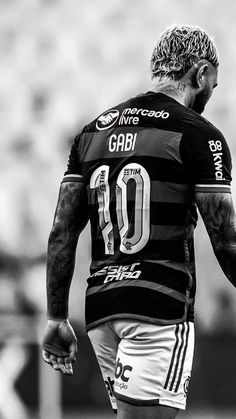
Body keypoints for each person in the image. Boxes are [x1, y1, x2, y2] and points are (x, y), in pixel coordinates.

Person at [42, 24, 235, 419]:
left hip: (102, 311)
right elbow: (226, 238)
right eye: (212, 84)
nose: (210, 95)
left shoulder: (92, 133)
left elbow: (62, 232)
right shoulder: (199, 135)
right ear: (201, 75)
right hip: (158, 309)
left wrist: (56, 315)